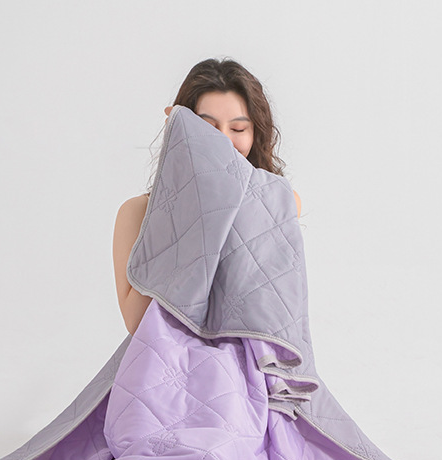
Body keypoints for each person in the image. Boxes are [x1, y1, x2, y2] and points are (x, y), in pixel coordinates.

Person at [113, 57, 302, 336]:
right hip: (165, 360)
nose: (222, 141)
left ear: (255, 135)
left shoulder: (281, 202)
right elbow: (137, 323)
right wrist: (188, 208)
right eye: (206, 129)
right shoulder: (136, 212)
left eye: (238, 129)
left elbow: (269, 314)